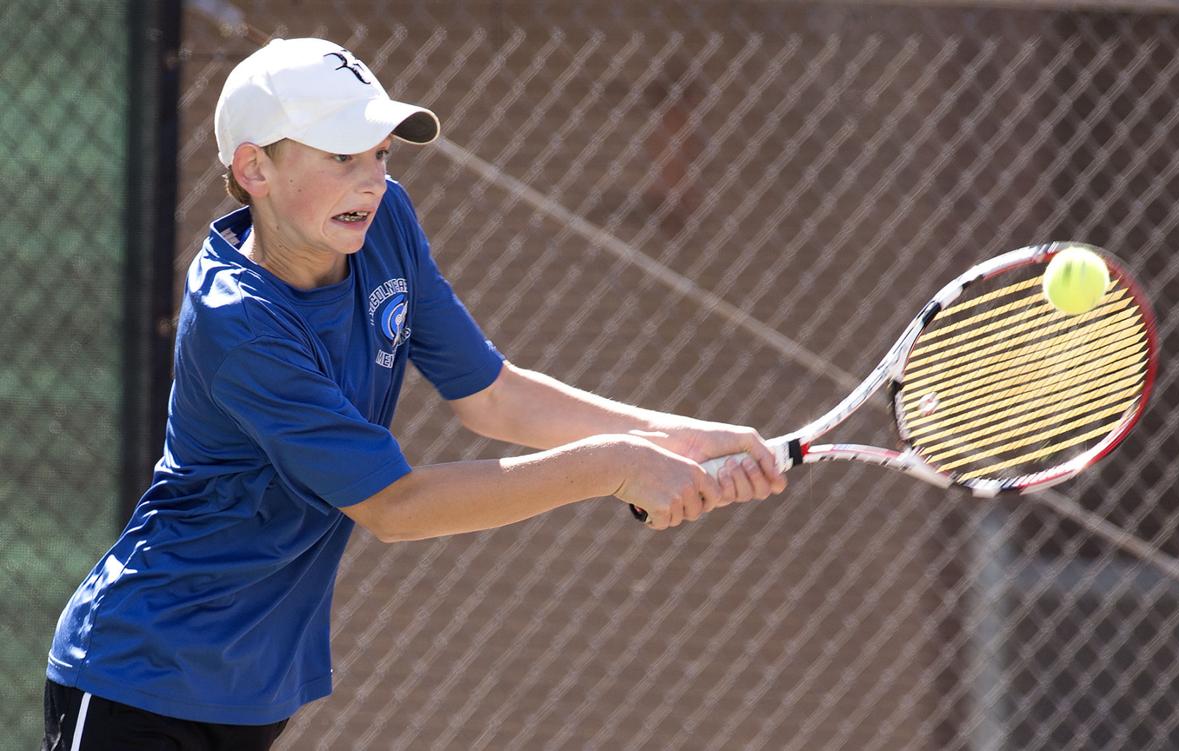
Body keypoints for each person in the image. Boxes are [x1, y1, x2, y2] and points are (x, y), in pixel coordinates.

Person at [42, 38, 786, 751]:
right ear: (255, 169)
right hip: (135, 674)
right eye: (340, 155)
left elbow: (492, 395)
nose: (370, 178)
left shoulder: (385, 221)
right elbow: (395, 507)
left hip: (255, 687)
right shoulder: (241, 322)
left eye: (380, 152)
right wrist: (615, 465)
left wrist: (677, 440)